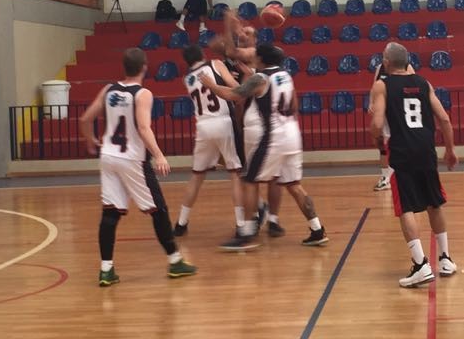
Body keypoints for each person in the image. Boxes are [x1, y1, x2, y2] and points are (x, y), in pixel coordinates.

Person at [78, 48, 196, 286]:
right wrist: (159, 155)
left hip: (109, 157)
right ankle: (175, 262)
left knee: (110, 213)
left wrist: (90, 139)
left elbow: (84, 119)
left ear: (124, 67)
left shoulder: (108, 89)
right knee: (158, 210)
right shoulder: (142, 94)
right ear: (144, 66)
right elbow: (143, 128)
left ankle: (106, 269)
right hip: (132, 158)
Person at [202, 44, 329, 249]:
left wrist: (212, 85)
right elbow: (294, 105)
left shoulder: (261, 78)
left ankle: (247, 233)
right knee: (294, 185)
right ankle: (317, 229)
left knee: (249, 181)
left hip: (274, 136)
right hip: (292, 134)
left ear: (261, 59)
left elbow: (235, 94)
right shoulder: (286, 76)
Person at [368, 43, 459, 287]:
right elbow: (445, 119)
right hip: (426, 149)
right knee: (434, 203)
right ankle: (445, 258)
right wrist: (449, 149)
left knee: (405, 207)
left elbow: (377, 124)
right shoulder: (423, 83)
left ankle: (420, 265)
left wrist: (377, 139)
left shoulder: (382, 85)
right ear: (407, 62)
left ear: (386, 63)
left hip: (402, 150)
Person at [174, 45, 248, 238]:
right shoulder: (215, 63)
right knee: (234, 174)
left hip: (203, 126)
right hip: (222, 121)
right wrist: (239, 76)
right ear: (202, 54)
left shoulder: (187, 78)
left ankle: (181, 223)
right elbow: (235, 87)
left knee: (197, 176)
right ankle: (241, 224)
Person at [371, 58, 417, 192]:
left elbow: (414, 86)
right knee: (383, 144)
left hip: (399, 111)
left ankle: (403, 176)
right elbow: (374, 87)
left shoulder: (407, 67)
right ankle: (386, 177)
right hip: (384, 111)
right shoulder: (380, 68)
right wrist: (371, 103)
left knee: (399, 143)